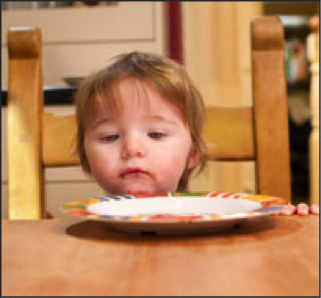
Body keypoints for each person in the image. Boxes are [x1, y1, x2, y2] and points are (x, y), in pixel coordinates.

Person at [74, 51, 318, 216]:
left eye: (156, 134)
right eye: (110, 137)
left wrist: (290, 224)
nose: (132, 148)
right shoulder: (77, 234)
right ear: (85, 155)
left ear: (192, 154)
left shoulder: (222, 217)